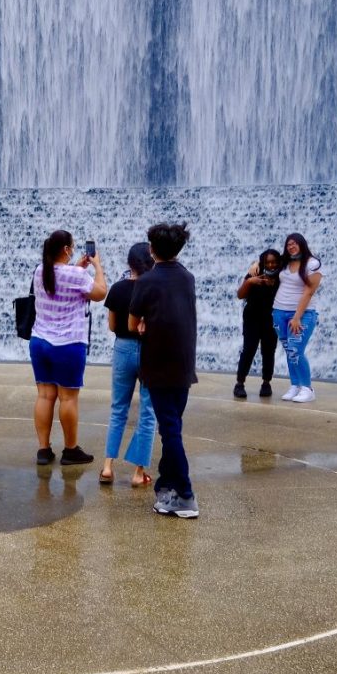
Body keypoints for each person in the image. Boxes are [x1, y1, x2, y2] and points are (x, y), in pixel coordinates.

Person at [127, 222, 200, 518]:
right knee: (173, 426)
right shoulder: (188, 277)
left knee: (169, 430)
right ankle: (166, 485)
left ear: (152, 249)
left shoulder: (146, 281)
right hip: (183, 364)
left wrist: (144, 323)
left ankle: (185, 494)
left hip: (157, 363)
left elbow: (132, 325)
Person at [30, 230, 107, 465]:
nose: (73, 249)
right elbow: (100, 293)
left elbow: (62, 280)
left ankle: (43, 450)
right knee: (67, 399)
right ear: (65, 249)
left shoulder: (40, 270)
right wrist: (97, 266)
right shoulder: (75, 275)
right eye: (71, 247)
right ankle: (70, 450)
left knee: (45, 395)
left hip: (39, 342)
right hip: (68, 344)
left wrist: (78, 267)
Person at [101, 242, 157, 487]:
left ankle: (107, 467)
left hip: (123, 348)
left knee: (118, 409)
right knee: (147, 412)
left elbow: (113, 326)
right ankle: (137, 472)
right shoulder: (156, 290)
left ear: (129, 263)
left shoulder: (117, 289)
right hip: (149, 350)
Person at [274, 233, 323, 403]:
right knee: (289, 350)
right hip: (279, 312)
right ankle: (295, 385)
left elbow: (309, 291)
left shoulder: (313, 264)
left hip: (303, 314)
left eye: (294, 243)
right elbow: (267, 259)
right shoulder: (285, 262)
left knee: (296, 349)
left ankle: (307, 388)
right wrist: (255, 265)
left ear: (302, 244)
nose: (291, 246)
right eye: (288, 244)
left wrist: (297, 317)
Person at [233, 248, 281, 398]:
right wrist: (250, 281)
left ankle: (266, 383)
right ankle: (239, 383)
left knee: (268, 351)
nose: (271, 265)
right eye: (268, 262)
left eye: (274, 262)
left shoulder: (283, 275)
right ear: (263, 262)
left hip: (272, 319)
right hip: (252, 318)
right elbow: (240, 295)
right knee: (249, 349)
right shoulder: (255, 272)